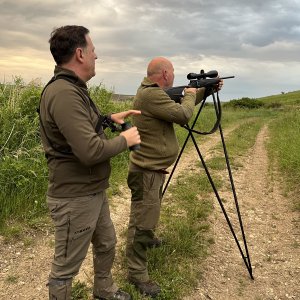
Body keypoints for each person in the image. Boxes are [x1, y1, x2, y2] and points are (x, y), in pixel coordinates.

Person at [39, 25, 141, 300]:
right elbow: (90, 152)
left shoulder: (74, 89)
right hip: (75, 197)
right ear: (81, 54)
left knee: (106, 243)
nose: (97, 56)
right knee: (65, 267)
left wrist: (109, 119)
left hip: (92, 190)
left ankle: (104, 290)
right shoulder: (64, 93)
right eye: (94, 51)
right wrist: (127, 140)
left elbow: (82, 128)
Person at [125, 57, 223, 298]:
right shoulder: (151, 95)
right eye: (174, 72)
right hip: (146, 172)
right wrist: (192, 94)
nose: (175, 76)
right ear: (166, 73)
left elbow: (178, 103)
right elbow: (182, 114)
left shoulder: (152, 93)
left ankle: (147, 239)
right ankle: (137, 273)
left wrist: (205, 91)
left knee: (147, 213)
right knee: (142, 221)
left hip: (151, 171)